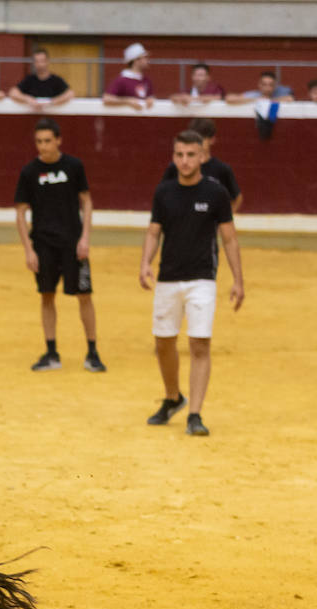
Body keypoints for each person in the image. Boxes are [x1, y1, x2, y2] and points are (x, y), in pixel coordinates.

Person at [140, 130, 245, 436]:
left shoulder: (216, 194)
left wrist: (238, 280)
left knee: (199, 343)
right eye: (179, 155)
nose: (184, 161)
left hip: (202, 279)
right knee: (164, 343)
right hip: (168, 278)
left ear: (202, 156)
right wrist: (145, 262)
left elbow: (229, 238)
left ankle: (195, 414)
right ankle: (173, 398)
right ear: (173, 157)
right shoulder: (164, 192)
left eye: (190, 155)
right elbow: (153, 231)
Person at [13, 118, 104, 373]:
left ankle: (93, 352)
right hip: (43, 244)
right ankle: (51, 352)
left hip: (73, 244)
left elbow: (86, 201)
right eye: (39, 142)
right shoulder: (29, 172)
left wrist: (85, 238)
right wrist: (28, 250)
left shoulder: (73, 166)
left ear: (58, 140)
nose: (43, 147)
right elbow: (20, 212)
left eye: (47, 141)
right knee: (47, 295)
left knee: (84, 295)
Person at [159, 117, 242, 212]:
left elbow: (237, 198)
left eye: (202, 138)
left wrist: (224, 220)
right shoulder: (176, 166)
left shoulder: (222, 169)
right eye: (195, 138)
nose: (198, 142)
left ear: (212, 140)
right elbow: (161, 194)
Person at [10, 49, 74, 109]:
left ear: (47, 61)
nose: (40, 64)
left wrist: (52, 102)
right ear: (34, 63)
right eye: (37, 61)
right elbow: (13, 93)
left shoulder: (56, 80)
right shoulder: (29, 80)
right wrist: (27, 99)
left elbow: (70, 93)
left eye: (42, 61)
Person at [104, 43, 155, 109]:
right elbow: (107, 99)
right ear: (136, 60)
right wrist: (127, 101)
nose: (148, 60)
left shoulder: (146, 80)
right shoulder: (121, 80)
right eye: (145, 57)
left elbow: (149, 97)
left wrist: (151, 99)